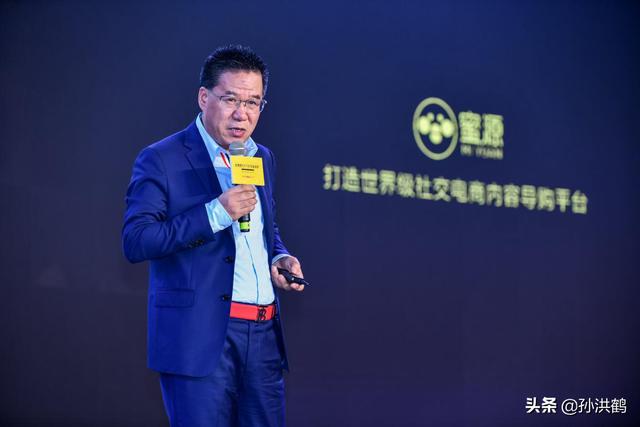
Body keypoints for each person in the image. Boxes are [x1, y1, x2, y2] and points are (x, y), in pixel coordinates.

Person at [122, 45, 304, 427]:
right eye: (231, 99)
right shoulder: (163, 158)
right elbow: (138, 240)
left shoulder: (260, 157)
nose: (242, 113)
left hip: (264, 336)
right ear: (204, 97)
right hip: (200, 338)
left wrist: (278, 256)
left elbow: (265, 228)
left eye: (253, 102)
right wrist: (216, 213)